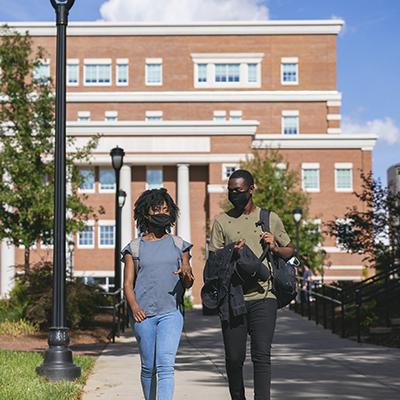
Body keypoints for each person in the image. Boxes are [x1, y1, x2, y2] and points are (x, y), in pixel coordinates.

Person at [207, 169, 294, 400]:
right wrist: (230, 251)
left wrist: (274, 247)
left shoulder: (269, 218)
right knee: (234, 358)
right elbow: (213, 262)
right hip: (233, 298)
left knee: (261, 355)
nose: (233, 194)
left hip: (264, 297)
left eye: (238, 190)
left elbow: (290, 251)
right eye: (230, 190)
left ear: (251, 190)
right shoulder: (221, 222)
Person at [122, 188, 194, 400]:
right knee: (148, 368)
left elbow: (187, 282)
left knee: (165, 366)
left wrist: (187, 275)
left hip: (171, 313)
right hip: (143, 315)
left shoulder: (180, 245)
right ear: (146, 214)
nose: (162, 213)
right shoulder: (133, 248)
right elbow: (127, 284)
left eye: (165, 209)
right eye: (156, 209)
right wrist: (135, 307)